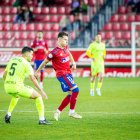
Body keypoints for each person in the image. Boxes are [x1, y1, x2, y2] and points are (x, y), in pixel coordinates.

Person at [35, 31, 82, 121]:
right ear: (59, 40)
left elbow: (69, 53)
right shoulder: (54, 52)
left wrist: (73, 62)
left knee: (71, 94)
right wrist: (37, 71)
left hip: (68, 73)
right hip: (62, 74)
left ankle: (58, 111)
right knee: (76, 90)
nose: (66, 42)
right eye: (65, 40)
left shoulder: (65, 48)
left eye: (67, 40)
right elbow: (44, 62)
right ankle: (72, 112)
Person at [3, 46, 51, 125]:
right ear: (27, 54)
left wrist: (8, 83)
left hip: (7, 86)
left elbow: (4, 75)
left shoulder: (12, 60)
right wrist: (41, 91)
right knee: (38, 96)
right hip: (17, 86)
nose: (32, 57)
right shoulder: (26, 63)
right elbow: (32, 78)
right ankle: (42, 119)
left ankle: (8, 114)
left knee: (16, 96)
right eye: (32, 54)